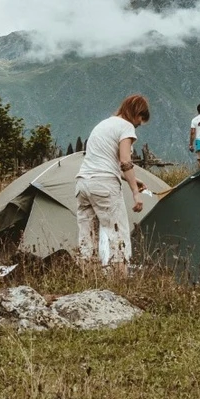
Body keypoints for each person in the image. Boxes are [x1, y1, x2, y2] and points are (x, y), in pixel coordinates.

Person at [74, 94, 151, 277]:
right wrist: (135, 192)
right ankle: (119, 280)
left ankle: (87, 278)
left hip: (83, 183)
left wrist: (131, 179)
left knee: (87, 234)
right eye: (140, 119)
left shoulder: (104, 124)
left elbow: (107, 160)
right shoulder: (126, 127)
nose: (139, 125)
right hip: (104, 186)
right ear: (136, 113)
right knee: (118, 233)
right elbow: (125, 161)